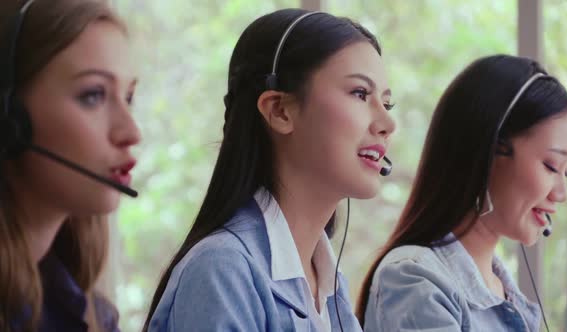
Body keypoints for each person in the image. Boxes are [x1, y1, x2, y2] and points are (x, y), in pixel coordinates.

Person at [145, 8, 395, 331]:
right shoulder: (223, 270)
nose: (388, 123)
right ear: (279, 110)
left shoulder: (329, 285)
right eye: (360, 94)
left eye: (386, 104)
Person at [357, 54, 567, 331]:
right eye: (551, 166)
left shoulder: (507, 295)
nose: (561, 194)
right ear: (488, 151)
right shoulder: (416, 279)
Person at [0, 0, 141, 331]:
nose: (131, 132)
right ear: (10, 120)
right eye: (93, 95)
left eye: (129, 97)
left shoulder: (90, 313)